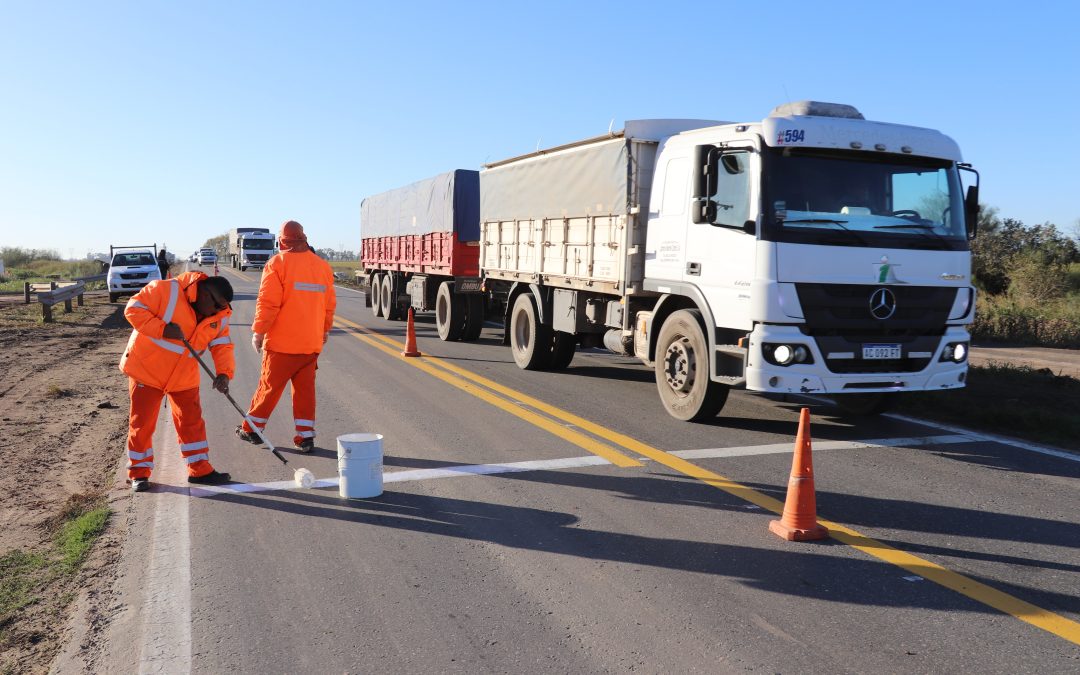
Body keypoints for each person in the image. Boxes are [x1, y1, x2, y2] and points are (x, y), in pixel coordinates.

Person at [120, 270, 236, 492]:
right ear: (204, 293)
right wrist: (163, 329)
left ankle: (200, 470)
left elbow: (222, 344)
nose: (218, 311)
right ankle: (139, 473)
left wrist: (224, 373)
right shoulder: (166, 290)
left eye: (222, 307)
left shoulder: (219, 316)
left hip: (184, 376)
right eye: (216, 305)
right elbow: (132, 309)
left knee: (192, 423)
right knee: (142, 424)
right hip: (147, 371)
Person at [236, 220, 336, 452]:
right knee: (305, 392)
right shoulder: (321, 266)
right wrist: (324, 330)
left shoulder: (277, 264)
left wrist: (258, 332)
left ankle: (252, 430)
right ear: (304, 238)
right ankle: (306, 436)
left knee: (268, 388)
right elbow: (329, 305)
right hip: (310, 344)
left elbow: (268, 303)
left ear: (281, 241)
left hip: (281, 344)